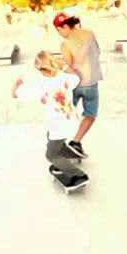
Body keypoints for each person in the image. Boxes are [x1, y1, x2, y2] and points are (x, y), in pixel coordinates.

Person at [12, 51, 89, 191]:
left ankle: (78, 176)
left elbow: (15, 95)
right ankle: (66, 153)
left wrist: (16, 85)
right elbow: (78, 78)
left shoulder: (40, 85)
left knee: (51, 155)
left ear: (38, 68)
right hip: (72, 120)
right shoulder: (64, 77)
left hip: (58, 125)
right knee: (52, 139)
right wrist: (64, 66)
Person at [53, 12, 103, 159]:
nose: (60, 34)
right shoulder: (90, 33)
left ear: (65, 26)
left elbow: (68, 67)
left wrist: (56, 62)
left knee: (65, 114)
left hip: (75, 85)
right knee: (90, 115)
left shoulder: (65, 44)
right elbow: (97, 51)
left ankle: (59, 146)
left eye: (59, 30)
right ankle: (75, 142)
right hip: (92, 83)